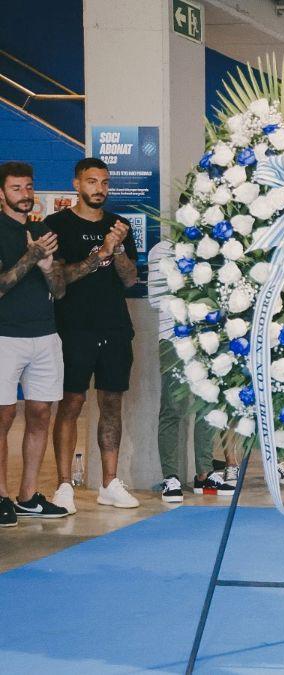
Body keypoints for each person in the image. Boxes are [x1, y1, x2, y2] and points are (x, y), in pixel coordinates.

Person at [45, 158, 140, 511]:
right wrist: (100, 253)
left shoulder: (119, 226)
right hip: (74, 327)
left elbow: (130, 279)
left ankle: (109, 483)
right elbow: (59, 282)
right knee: (71, 403)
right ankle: (64, 485)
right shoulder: (57, 225)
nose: (99, 188)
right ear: (76, 184)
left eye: (104, 182)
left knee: (112, 403)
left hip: (114, 326)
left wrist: (117, 249)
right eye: (91, 181)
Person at [0, 161, 68, 525]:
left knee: (41, 413)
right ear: (1, 193)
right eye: (16, 188)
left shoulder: (43, 231)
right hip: (5, 336)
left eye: (28, 187)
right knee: (3, 416)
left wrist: (46, 267)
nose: (24, 194)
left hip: (45, 335)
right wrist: (32, 256)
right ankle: (0, 497)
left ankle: (27, 496)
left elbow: (60, 289)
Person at [148, 238, 235, 501]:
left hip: (210, 337)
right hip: (174, 338)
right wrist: (194, 300)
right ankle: (171, 477)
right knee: (173, 407)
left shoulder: (215, 245)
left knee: (208, 406)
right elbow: (156, 300)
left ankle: (204, 473)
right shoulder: (162, 250)